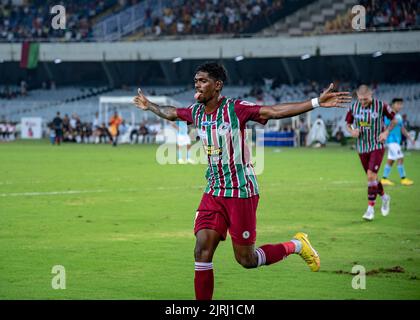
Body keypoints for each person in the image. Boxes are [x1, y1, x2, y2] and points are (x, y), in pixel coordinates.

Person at [133, 62, 351, 300]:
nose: (197, 85)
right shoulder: (195, 112)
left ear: (217, 86)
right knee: (201, 251)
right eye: (196, 81)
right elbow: (171, 112)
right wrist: (149, 106)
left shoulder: (235, 109)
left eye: (203, 81)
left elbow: (273, 111)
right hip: (213, 191)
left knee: (247, 260)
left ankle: (297, 245)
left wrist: (316, 102)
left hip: (241, 192)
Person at [345, 85, 398, 221]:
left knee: (370, 176)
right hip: (362, 147)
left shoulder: (381, 106)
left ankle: (370, 209)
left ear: (371, 95)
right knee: (372, 177)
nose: (363, 102)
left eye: (365, 99)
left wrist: (386, 132)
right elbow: (348, 123)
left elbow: (394, 119)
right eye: (360, 99)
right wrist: (352, 131)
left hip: (377, 145)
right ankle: (385, 197)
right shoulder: (353, 107)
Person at [381, 98, 414, 186]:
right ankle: (403, 179)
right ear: (393, 105)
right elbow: (385, 126)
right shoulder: (388, 115)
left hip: (396, 141)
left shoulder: (399, 116)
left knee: (390, 160)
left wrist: (410, 138)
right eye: (398, 104)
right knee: (400, 158)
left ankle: (384, 179)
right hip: (391, 141)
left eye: (401, 104)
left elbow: (402, 129)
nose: (400, 106)